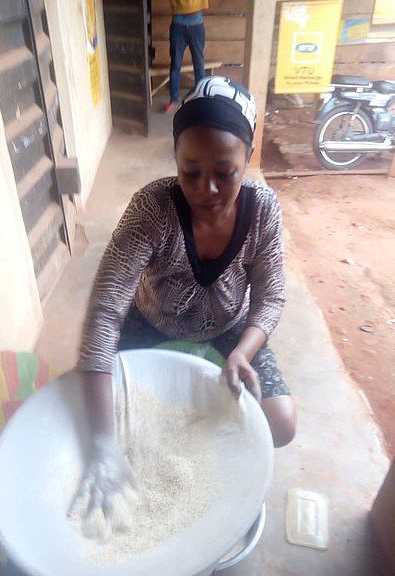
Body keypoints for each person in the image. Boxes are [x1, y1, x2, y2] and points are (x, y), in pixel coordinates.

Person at [74, 77, 297, 520]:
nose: (206, 189)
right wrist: (102, 444)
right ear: (175, 158)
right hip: (151, 321)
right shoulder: (152, 210)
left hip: (229, 328)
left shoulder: (263, 210)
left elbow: (270, 297)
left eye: (224, 173)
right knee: (105, 419)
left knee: (281, 423)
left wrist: (242, 353)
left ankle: (202, 456)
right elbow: (104, 312)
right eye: (190, 171)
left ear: (247, 158)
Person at [164, 0, 208, 113]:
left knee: (198, 64)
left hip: (196, 26)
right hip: (178, 27)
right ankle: (173, 100)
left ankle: (201, 100)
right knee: (175, 64)